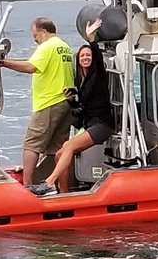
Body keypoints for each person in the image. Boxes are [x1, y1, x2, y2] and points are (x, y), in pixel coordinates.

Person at [41, 19, 115, 194]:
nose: (86, 57)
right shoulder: (79, 81)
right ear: (78, 60)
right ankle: (64, 193)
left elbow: (97, 57)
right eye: (82, 56)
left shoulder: (98, 75)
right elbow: (82, 109)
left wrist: (91, 40)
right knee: (60, 153)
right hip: (90, 124)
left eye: (88, 55)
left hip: (102, 124)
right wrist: (72, 101)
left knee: (69, 147)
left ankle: (50, 182)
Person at [0, 17, 75, 186]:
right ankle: (63, 189)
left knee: (32, 144)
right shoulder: (65, 47)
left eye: (36, 36)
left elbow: (30, 67)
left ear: (43, 32)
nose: (35, 40)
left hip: (50, 101)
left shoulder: (47, 46)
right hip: (66, 102)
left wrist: (2, 63)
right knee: (59, 149)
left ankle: (26, 186)